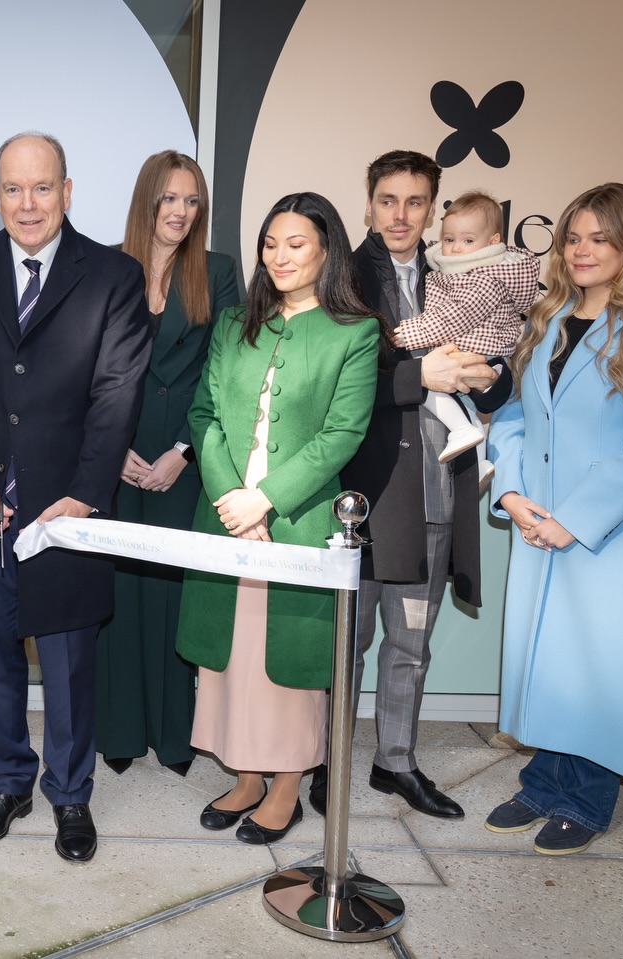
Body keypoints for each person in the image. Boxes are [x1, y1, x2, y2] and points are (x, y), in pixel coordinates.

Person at [0, 132, 149, 864]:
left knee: (70, 660)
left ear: (68, 191)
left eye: (42, 188)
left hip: (66, 513)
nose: (27, 204)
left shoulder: (114, 274)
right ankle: (8, 781)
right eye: (13, 189)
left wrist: (86, 494)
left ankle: (70, 793)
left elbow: (117, 392)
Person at [485, 183, 623, 855]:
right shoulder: (548, 318)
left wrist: (573, 520)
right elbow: (516, 416)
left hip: (615, 532)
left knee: (599, 665)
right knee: (549, 660)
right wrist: (513, 494)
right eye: (573, 238)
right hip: (541, 517)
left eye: (599, 238)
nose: (582, 250)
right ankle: (544, 779)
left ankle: (585, 796)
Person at [176, 193, 379, 845]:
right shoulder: (235, 320)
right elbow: (204, 416)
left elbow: (343, 433)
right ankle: (245, 775)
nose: (280, 255)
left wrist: (265, 499)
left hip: (297, 520)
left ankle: (286, 784)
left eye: (296, 242)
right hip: (225, 516)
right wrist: (230, 496)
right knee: (229, 654)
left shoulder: (356, 330)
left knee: (287, 661)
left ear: (326, 248)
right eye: (270, 243)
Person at [326, 151, 504, 821]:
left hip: (436, 491)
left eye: (416, 201)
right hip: (365, 495)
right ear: (369, 201)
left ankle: (394, 760)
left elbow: (498, 361)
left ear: (434, 208)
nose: (401, 214)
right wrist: (415, 379)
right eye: (388, 199)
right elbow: (330, 383)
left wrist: (493, 376)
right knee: (348, 642)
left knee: (412, 640)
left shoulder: (459, 276)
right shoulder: (340, 274)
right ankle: (329, 760)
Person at [96, 150, 242, 777]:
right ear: (147, 201)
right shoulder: (104, 267)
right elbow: (82, 367)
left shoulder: (218, 270)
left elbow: (227, 371)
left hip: (188, 454)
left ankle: (176, 737)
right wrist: (110, 444)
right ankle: (120, 732)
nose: (182, 212)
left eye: (192, 201)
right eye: (170, 199)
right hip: (114, 454)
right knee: (118, 592)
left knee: (176, 593)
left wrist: (183, 451)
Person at [392, 190, 539, 475]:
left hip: (476, 348)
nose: (456, 248)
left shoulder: (483, 278)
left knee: (425, 387)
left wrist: (407, 333)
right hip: (473, 348)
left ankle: (460, 431)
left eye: (467, 240)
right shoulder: (461, 271)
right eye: (449, 240)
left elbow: (453, 317)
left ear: (493, 242)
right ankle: (481, 459)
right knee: (462, 405)